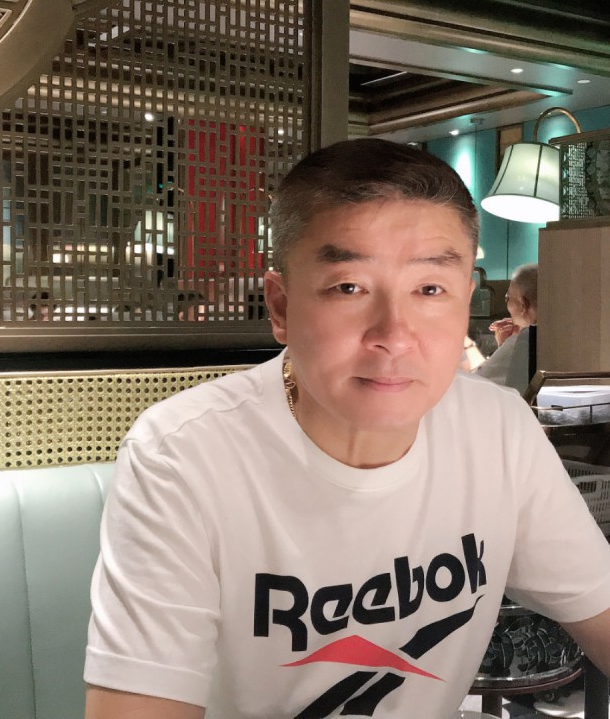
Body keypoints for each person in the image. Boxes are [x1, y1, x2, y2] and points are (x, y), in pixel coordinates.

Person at [84, 139, 610, 719]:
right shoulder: (184, 455)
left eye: (430, 289)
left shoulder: (498, 429)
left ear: (465, 302)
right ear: (281, 307)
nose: (394, 335)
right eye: (348, 287)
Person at [463, 263, 537, 392]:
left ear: (523, 305)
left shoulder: (523, 342)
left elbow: (477, 386)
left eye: (507, 298)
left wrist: (466, 344)